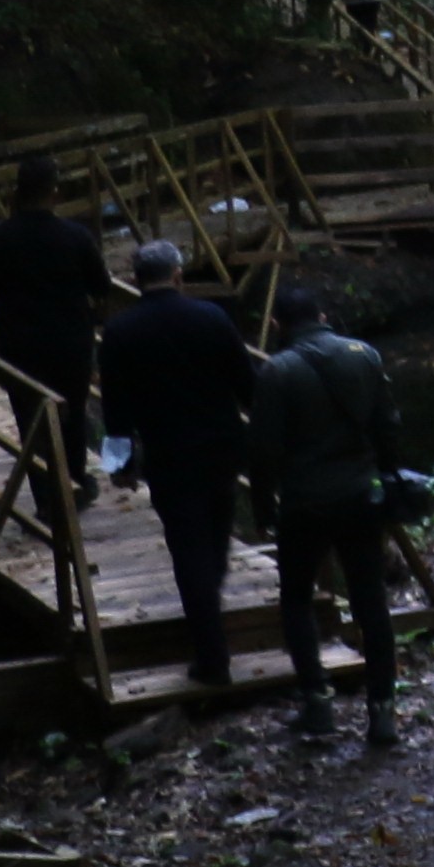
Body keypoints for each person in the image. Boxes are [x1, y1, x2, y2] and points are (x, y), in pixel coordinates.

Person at [92, 241, 255, 692]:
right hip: (222, 448)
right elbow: (246, 381)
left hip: (169, 454)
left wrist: (120, 463)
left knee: (188, 550)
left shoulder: (121, 331)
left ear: (137, 277)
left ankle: (212, 654)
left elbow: (116, 407)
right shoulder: (211, 318)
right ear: (179, 275)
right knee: (217, 536)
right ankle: (211, 614)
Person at [249, 287, 405, 748]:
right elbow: (387, 424)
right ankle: (383, 713)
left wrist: (263, 506)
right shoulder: (364, 355)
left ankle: (317, 703)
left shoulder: (278, 371)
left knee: (296, 599)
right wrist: (390, 480)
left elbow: (263, 450)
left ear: (277, 324)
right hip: (359, 497)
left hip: (304, 503)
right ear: (322, 315)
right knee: (370, 601)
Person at [0, 164, 114, 469]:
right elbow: (102, 285)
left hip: (20, 341)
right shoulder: (76, 236)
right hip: (70, 341)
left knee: (29, 416)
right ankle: (75, 480)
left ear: (17, 194)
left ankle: (44, 491)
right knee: (71, 412)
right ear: (54, 193)